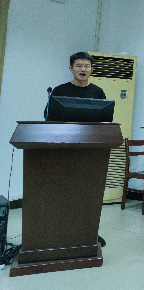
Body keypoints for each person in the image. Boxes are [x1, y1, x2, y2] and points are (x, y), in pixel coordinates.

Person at [44, 52, 108, 248]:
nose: (83, 69)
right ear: (71, 68)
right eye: (79, 66)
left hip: (90, 150)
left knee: (88, 193)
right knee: (63, 192)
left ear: (92, 70)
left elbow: (105, 120)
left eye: (87, 66)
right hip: (64, 149)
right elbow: (49, 118)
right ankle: (58, 231)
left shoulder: (98, 92)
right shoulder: (59, 90)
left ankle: (88, 233)